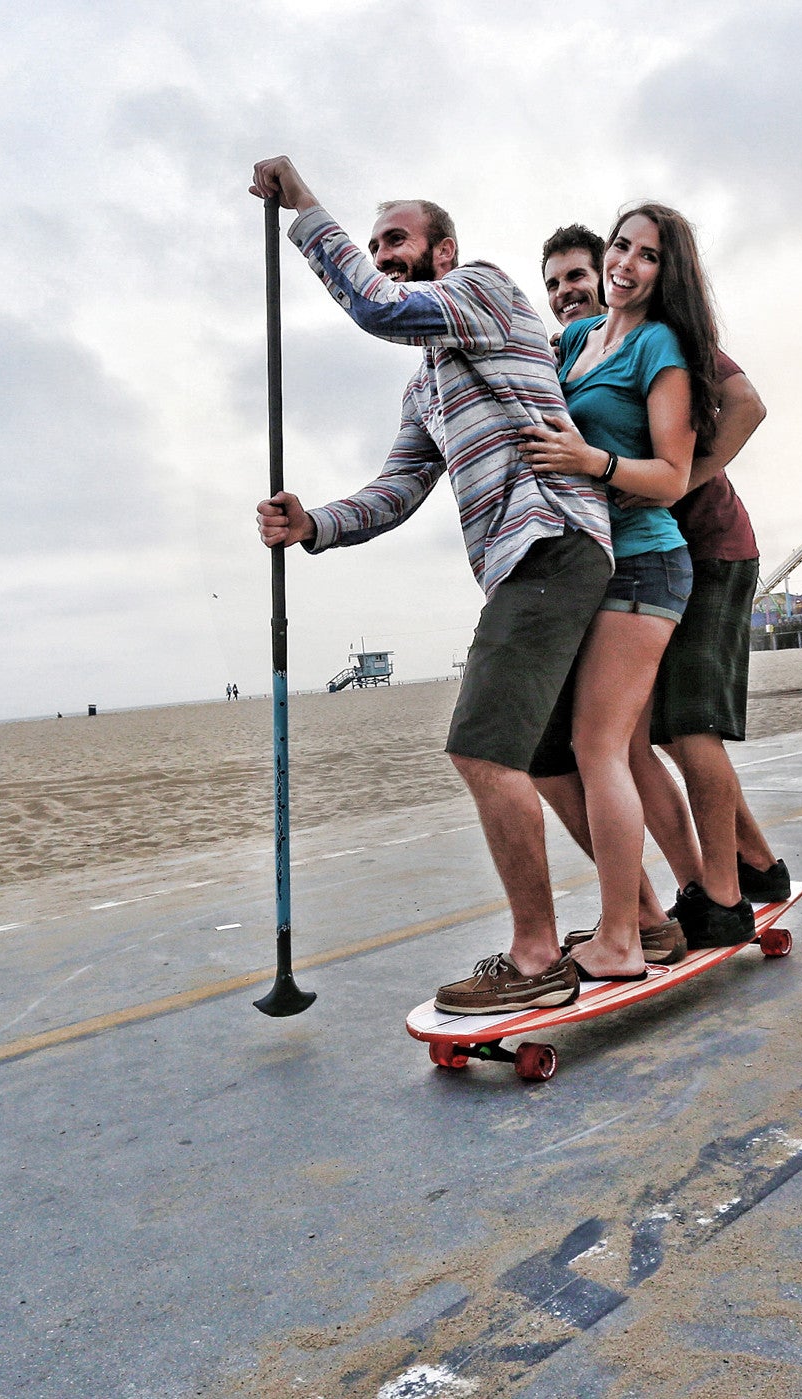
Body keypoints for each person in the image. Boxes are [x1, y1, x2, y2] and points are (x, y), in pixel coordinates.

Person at [248, 157, 617, 1015]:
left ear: (443, 251)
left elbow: (377, 307)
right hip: (525, 561)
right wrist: (313, 524)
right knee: (544, 756)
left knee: (481, 746)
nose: (382, 255)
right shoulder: (426, 384)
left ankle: (536, 957)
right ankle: (641, 918)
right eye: (374, 244)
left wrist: (304, 206)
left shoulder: (484, 290)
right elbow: (399, 489)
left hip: (551, 536)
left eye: (396, 240)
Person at [532, 214, 790, 961]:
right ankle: (755, 865)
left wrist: (680, 482)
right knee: (645, 737)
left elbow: (747, 406)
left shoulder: (664, 337)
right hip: (626, 557)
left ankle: (724, 897)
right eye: (554, 284)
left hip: (707, 547)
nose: (568, 291)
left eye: (576, 276)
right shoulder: (579, 344)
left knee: (688, 728)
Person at [514, 203, 715, 981]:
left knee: (599, 748)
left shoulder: (659, 345)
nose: (626, 264)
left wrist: (592, 462)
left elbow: (671, 475)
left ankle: (623, 939)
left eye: (647, 255)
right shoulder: (578, 340)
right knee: (582, 749)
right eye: (622, 246)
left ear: (668, 272)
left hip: (645, 563)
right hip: (590, 567)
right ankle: (640, 923)